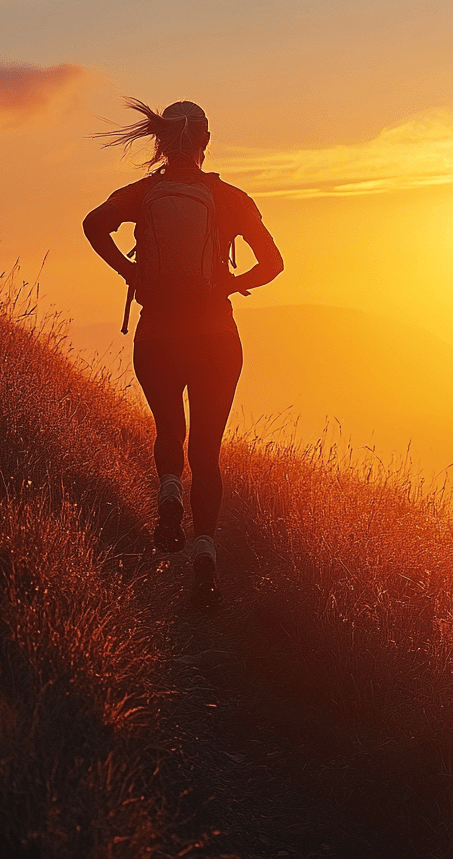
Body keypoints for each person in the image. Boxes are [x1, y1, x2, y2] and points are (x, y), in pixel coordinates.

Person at [83, 99, 284, 608]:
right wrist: (233, 283)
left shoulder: (143, 193)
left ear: (161, 142)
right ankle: (205, 554)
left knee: (169, 430)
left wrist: (131, 273)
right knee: (208, 453)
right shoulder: (230, 197)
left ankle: (169, 488)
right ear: (206, 142)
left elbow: (92, 224)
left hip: (157, 336)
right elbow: (274, 263)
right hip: (216, 337)